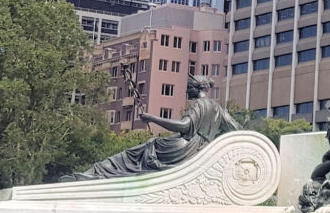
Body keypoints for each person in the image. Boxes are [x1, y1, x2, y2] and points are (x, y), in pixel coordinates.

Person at [65, 75, 240, 180]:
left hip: (183, 148)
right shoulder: (218, 108)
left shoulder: (199, 105)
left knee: (134, 154)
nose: (187, 92)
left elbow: (184, 126)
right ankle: (96, 173)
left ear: (197, 88)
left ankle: (95, 173)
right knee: (138, 153)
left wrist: (152, 118)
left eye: (188, 88)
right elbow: (237, 129)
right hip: (199, 150)